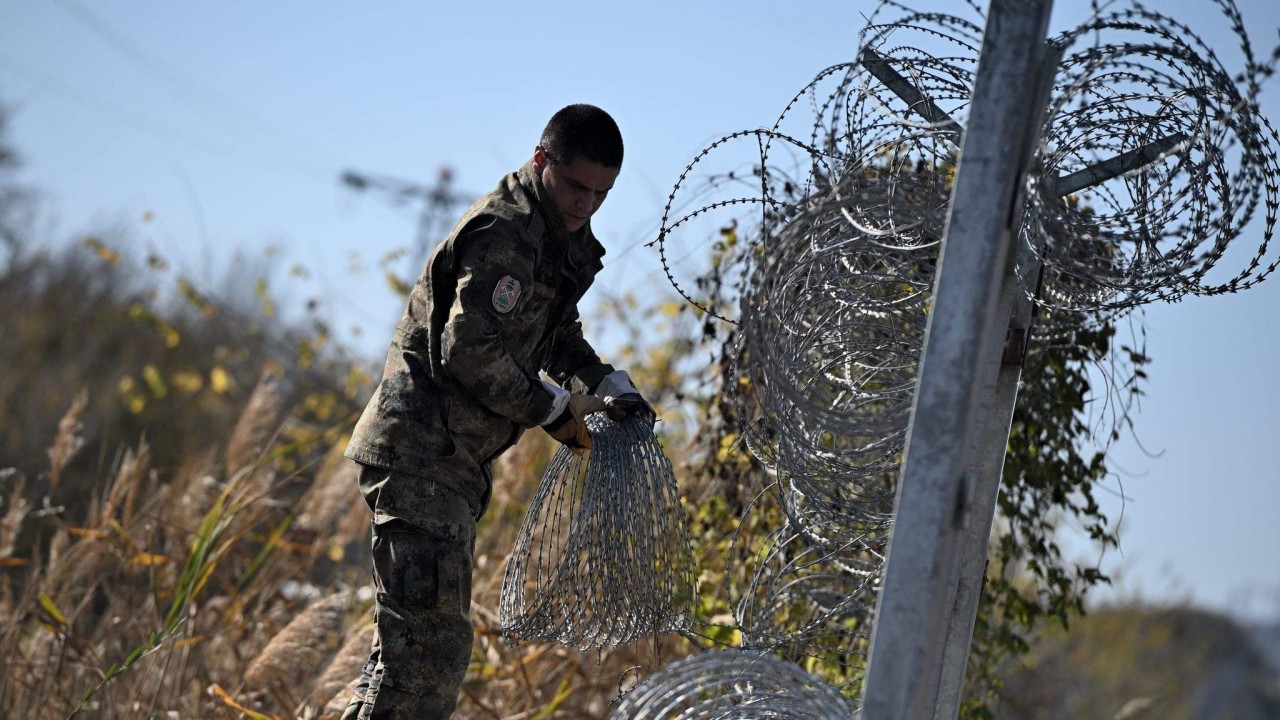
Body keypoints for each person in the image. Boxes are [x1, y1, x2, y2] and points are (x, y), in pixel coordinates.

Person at [340, 104, 652, 719]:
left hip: (450, 464)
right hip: (420, 455)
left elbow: (554, 334)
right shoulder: (507, 232)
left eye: (601, 193)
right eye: (576, 186)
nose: (587, 203)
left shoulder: (558, 235)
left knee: (403, 664)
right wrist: (551, 410)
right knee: (428, 663)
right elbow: (467, 346)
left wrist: (606, 383)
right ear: (542, 162)